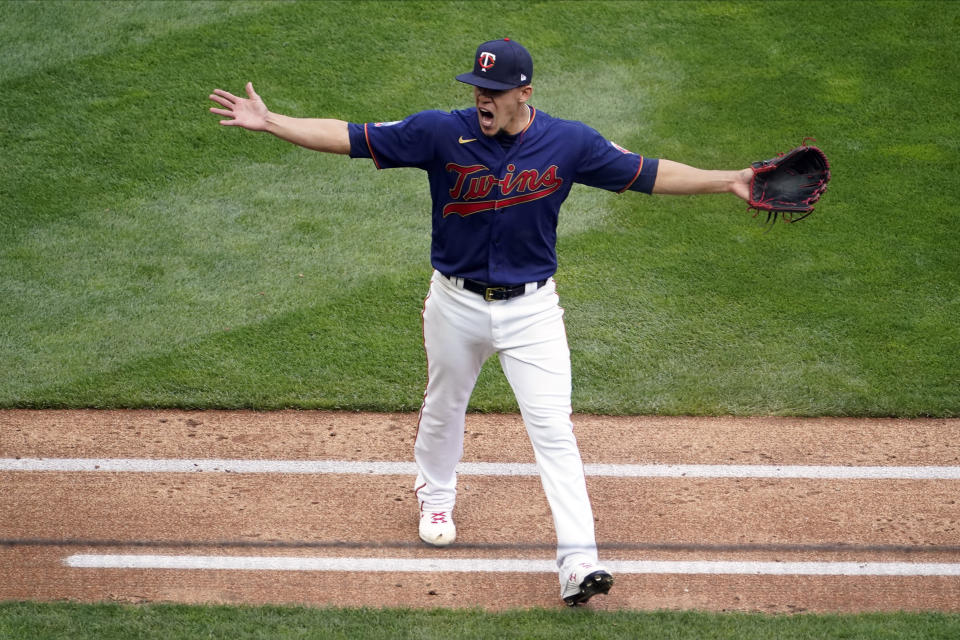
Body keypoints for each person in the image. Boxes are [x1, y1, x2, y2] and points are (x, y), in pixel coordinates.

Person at [209, 37, 752, 606]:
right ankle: (436, 494)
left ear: (525, 94)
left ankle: (577, 561)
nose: (482, 98)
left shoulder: (569, 142)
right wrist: (272, 122)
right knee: (445, 405)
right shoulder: (441, 132)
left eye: (493, 91)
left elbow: (647, 173)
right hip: (455, 304)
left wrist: (730, 179)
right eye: (477, 88)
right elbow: (351, 135)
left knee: (554, 432)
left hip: (534, 312)